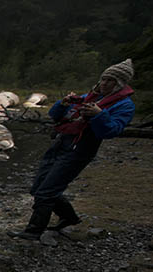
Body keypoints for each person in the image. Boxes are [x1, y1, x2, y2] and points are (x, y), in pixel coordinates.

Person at [10, 58, 136, 240]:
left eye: (111, 81)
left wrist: (99, 115)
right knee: (38, 187)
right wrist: (62, 103)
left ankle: (33, 231)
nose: (105, 84)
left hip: (80, 149)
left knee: (47, 191)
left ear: (120, 84)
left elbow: (111, 131)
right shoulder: (88, 97)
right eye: (104, 79)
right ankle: (69, 218)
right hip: (61, 143)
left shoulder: (124, 105)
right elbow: (55, 116)